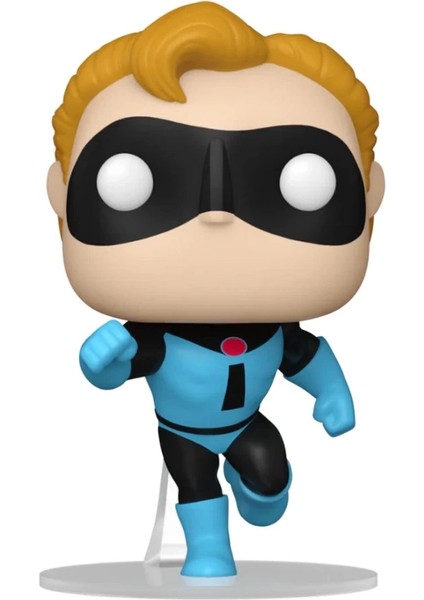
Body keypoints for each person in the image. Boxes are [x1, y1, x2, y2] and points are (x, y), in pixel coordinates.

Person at [47, 1, 384, 578]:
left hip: (246, 422)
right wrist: (97, 360)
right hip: (183, 433)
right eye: (133, 182)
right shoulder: (155, 337)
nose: (216, 216)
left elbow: (307, 357)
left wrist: (333, 394)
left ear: (370, 201)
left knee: (269, 477)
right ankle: (209, 553)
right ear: (61, 200)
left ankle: (263, 495)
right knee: (196, 485)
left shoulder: (274, 332)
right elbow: (116, 372)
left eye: (302, 182)